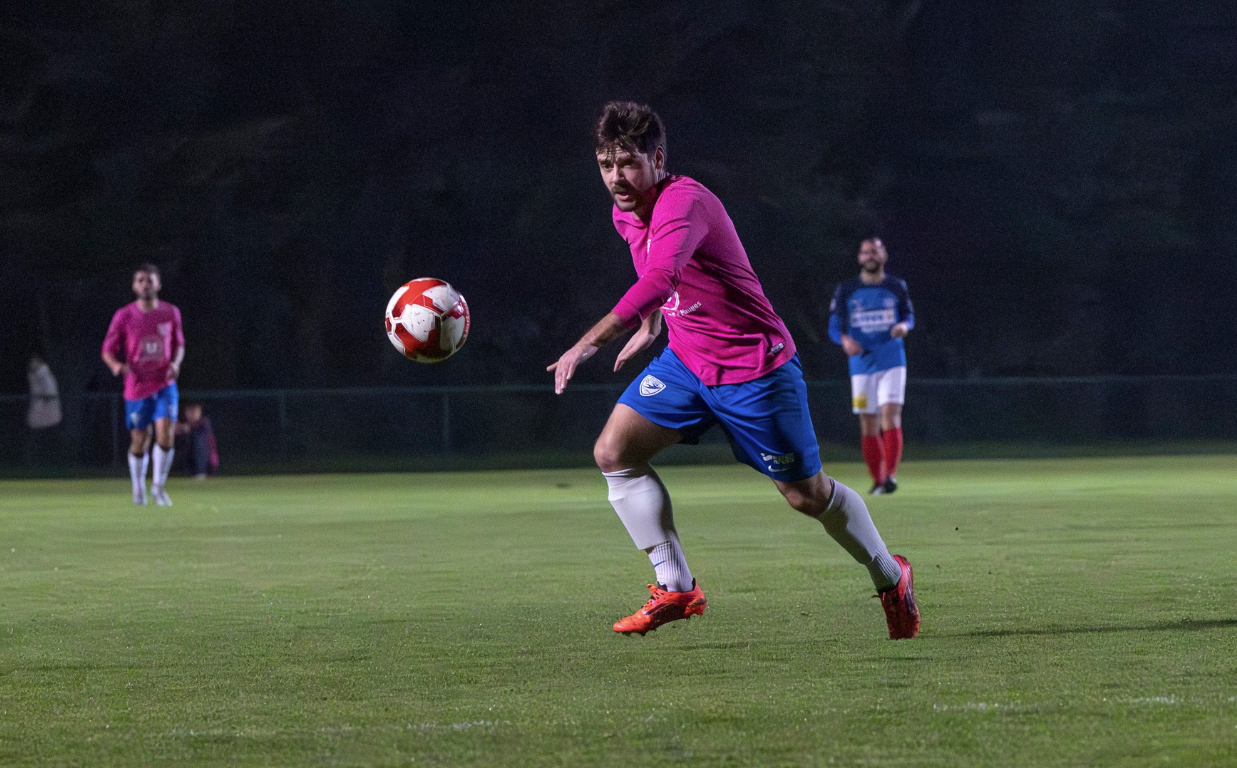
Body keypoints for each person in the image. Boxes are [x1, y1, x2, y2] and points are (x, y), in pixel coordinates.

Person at [548, 102, 919, 639]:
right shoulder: (625, 210)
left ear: (656, 157)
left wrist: (587, 343)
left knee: (806, 496)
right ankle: (676, 587)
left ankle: (891, 576)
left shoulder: (685, 201)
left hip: (753, 369)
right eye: (605, 164)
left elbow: (661, 275)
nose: (615, 177)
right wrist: (651, 326)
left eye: (626, 163)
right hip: (686, 360)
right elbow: (650, 266)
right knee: (613, 452)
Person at [828, 238, 914, 495]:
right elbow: (834, 326)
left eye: (874, 251)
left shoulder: (896, 286)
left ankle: (890, 477)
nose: (870, 256)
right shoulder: (846, 289)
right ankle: (877, 480)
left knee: (890, 414)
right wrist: (844, 340)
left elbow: (909, 316)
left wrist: (904, 327)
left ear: (884, 255)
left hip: (892, 360)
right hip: (861, 364)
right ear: (859, 257)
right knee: (868, 421)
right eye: (865, 252)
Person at [101, 263, 185, 506]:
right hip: (137, 386)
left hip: (164, 383)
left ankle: (158, 486)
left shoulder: (170, 312)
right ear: (134, 286)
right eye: (140, 280)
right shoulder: (124, 315)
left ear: (158, 284)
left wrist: (176, 363)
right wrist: (117, 366)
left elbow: (179, 345)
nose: (145, 284)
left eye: (150, 280)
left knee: (166, 434)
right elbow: (107, 350)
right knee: (140, 438)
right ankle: (138, 488)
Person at [175, 403, 218, 480]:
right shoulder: (181, 422)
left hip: (207, 463)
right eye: (190, 411)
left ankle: (199, 473)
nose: (192, 414)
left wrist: (184, 429)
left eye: (195, 411)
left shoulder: (204, 423)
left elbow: (193, 429)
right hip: (184, 461)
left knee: (197, 438)